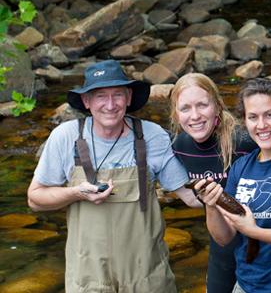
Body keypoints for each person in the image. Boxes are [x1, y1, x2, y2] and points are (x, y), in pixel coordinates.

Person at [27, 60, 200, 292]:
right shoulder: (65, 137)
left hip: (146, 275)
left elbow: (190, 197)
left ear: (128, 97)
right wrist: (76, 193)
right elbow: (35, 199)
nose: (110, 105)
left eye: (117, 95)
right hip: (88, 277)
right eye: (100, 96)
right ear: (87, 102)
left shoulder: (151, 135)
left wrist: (234, 190)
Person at [169, 73, 271, 293]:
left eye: (269, 115)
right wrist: (211, 204)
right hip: (244, 274)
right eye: (253, 117)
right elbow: (224, 234)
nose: (261, 125)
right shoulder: (235, 165)